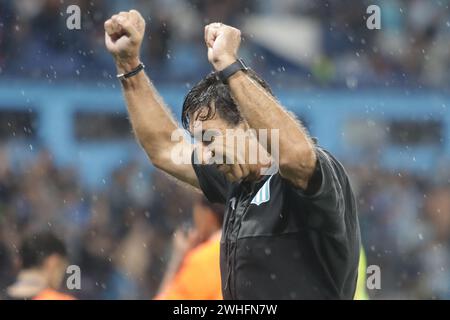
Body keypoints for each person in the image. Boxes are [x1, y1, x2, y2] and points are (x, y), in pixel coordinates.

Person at [104, 10, 360, 299]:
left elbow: (297, 158)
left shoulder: (308, 177)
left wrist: (228, 65)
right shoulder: (237, 183)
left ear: (249, 124)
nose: (203, 153)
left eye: (209, 139)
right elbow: (164, 148)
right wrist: (128, 65)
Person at [155, 197, 224, 300]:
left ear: (208, 215)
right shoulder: (242, 252)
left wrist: (178, 257)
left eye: (197, 220)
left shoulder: (204, 259)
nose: (194, 230)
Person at [6, 232, 75, 300]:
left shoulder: (4, 295)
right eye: (61, 267)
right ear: (53, 262)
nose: (61, 276)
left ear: (19, 263)